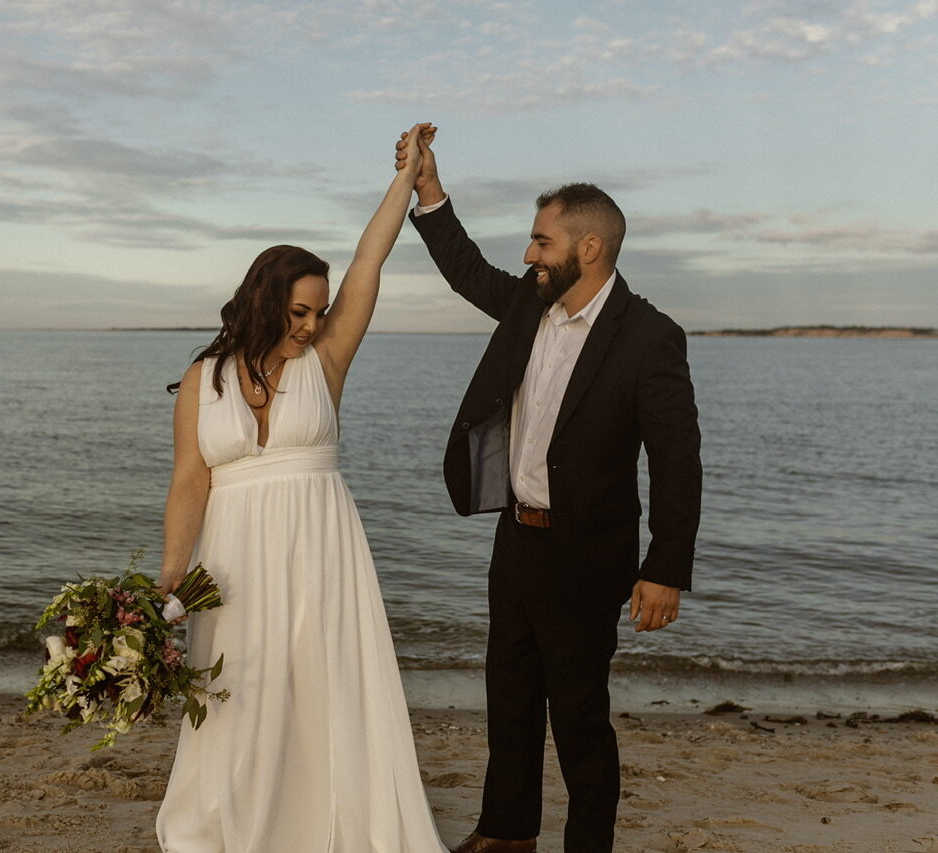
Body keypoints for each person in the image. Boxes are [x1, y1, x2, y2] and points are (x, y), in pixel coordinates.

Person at [396, 126, 702, 853]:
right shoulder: (530, 306)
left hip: (587, 554)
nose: (529, 255)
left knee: (578, 714)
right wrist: (428, 188)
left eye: (540, 241)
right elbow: (467, 269)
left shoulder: (649, 336)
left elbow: (677, 457)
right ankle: (507, 833)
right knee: (508, 694)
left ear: (586, 248)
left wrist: (665, 566)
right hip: (517, 537)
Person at [154, 124, 447, 852]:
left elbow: (370, 256)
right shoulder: (202, 379)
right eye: (299, 313)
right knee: (237, 692)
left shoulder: (328, 359)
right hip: (230, 562)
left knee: (322, 688)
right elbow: (190, 479)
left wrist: (409, 177)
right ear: (264, 301)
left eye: (319, 312)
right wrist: (168, 581)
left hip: (321, 548)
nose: (314, 326)